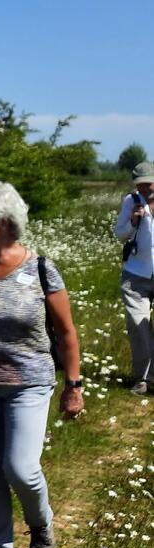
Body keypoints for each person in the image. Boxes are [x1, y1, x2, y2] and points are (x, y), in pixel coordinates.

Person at [0, 179, 84, 548]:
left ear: (5, 222)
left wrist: (74, 386)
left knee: (21, 468)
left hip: (30, 383)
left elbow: (65, 332)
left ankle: (42, 528)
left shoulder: (41, 268)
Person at [114, 161, 154, 394]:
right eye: (140, 185)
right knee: (138, 325)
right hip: (136, 273)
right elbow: (120, 234)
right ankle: (144, 380)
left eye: (148, 184)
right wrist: (133, 221)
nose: (144, 189)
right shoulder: (131, 201)